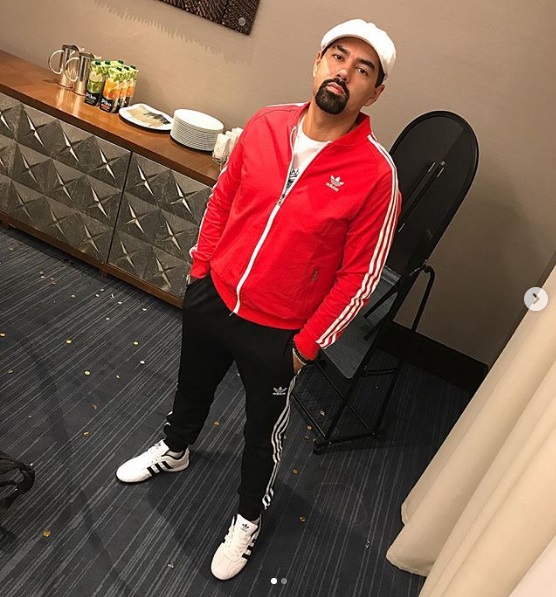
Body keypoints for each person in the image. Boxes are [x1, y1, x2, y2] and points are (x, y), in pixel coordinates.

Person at [116, 18, 400, 581]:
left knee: (260, 432)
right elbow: (223, 198)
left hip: (279, 332)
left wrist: (307, 346)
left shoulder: (376, 175)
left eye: (362, 69)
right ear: (317, 63)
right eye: (337, 57)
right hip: (215, 295)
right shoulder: (267, 123)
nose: (344, 72)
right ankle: (175, 449)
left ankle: (248, 516)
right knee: (191, 386)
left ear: (374, 92)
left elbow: (361, 277)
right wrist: (201, 271)